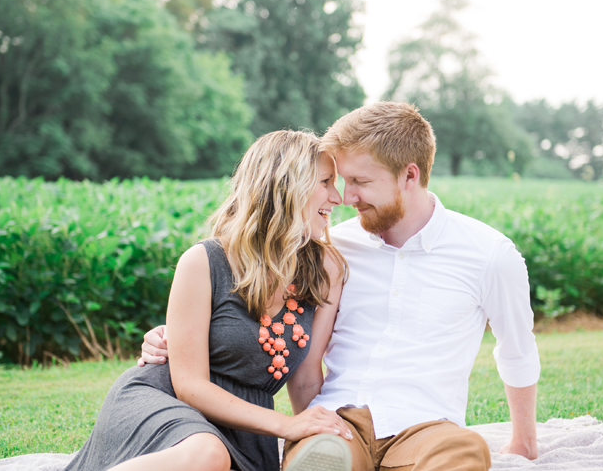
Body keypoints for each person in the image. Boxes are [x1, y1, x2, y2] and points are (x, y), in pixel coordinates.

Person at [142, 102, 541, 471]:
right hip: (338, 419)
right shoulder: (327, 250)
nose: (346, 197)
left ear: (409, 175)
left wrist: (523, 441)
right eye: (339, 181)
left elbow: (516, 348)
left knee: (466, 450)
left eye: (359, 181)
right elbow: (270, 320)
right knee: (321, 456)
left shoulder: (488, 254)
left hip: (426, 424)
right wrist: (171, 336)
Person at [65, 130, 355, 471]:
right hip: (163, 402)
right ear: (285, 187)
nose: (338, 198)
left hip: (245, 430)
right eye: (325, 182)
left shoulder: (325, 269)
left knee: (213, 456)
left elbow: (306, 379)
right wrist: (285, 425)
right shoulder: (204, 261)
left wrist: (319, 437)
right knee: (208, 455)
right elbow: (189, 385)